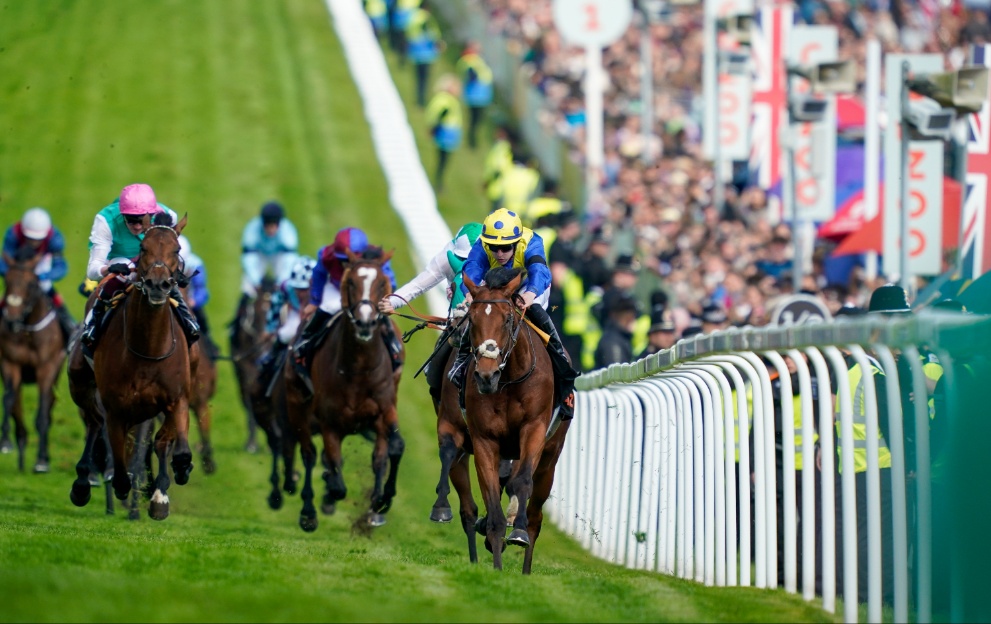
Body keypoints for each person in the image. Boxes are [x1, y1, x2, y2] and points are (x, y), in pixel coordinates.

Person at [449, 208, 580, 419]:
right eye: (494, 248)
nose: (499, 254)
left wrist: (530, 294)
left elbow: (540, 271)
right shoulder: (483, 243)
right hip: (496, 287)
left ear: (516, 242)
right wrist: (469, 292)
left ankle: (562, 369)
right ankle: (461, 361)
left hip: (530, 286)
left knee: (535, 311)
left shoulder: (531, 241)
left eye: (505, 248)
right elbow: (471, 268)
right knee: (480, 314)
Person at [79, 183, 199, 356]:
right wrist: (108, 269)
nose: (136, 226)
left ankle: (186, 317)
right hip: (120, 264)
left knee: (163, 275)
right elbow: (92, 270)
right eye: (130, 220)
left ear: (153, 213)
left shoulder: (169, 216)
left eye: (142, 219)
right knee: (126, 268)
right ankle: (93, 321)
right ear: (122, 215)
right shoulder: (105, 221)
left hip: (150, 262)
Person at [377, 223, 482, 402]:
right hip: (458, 321)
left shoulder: (496, 257)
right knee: (434, 373)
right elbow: (419, 284)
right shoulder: (447, 256)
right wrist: (392, 302)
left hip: (488, 319)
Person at [292, 227, 402, 389]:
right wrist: (314, 301)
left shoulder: (376, 258)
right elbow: (319, 274)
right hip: (337, 288)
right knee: (328, 307)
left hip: (364, 292)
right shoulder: (327, 255)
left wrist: (385, 298)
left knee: (375, 313)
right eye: (342, 260)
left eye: (348, 260)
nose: (345, 264)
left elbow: (390, 281)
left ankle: (392, 343)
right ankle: (306, 340)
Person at [0, 207, 75, 342]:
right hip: (18, 267)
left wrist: (44, 276)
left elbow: (61, 267)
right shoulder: (13, 234)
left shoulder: (55, 239)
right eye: (30, 238)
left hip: (42, 267)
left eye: (38, 239)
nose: (34, 242)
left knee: (47, 289)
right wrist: (14, 277)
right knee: (10, 296)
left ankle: (69, 326)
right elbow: (3, 261)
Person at [256, 255, 317, 395]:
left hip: (316, 310)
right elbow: (276, 305)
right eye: (297, 288)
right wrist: (270, 328)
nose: (300, 293)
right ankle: (271, 357)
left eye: (304, 289)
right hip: (297, 313)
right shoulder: (286, 287)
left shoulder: (321, 286)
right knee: (285, 334)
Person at [240, 201, 299, 305]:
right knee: (248, 286)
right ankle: (240, 314)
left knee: (288, 284)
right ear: (263, 223)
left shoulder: (287, 230)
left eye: (274, 226)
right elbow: (249, 259)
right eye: (268, 226)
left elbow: (289, 261)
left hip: (279, 254)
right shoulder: (252, 229)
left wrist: (281, 282)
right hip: (259, 254)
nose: (271, 230)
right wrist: (256, 282)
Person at [177, 234, 219, 360]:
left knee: (201, 319)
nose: (178, 267)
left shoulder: (195, 265)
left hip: (188, 301)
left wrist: (193, 301)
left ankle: (209, 345)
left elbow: (202, 290)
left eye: (180, 264)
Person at [425, 75, 463, 193]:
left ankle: (438, 181)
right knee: (442, 161)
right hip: (446, 133)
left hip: (447, 133)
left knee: (442, 161)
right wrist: (435, 128)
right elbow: (441, 113)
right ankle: (438, 182)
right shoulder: (446, 99)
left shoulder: (443, 98)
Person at [455, 41, 493, 149]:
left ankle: (472, 138)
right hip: (476, 94)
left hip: (480, 94)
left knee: (477, 119)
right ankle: (471, 139)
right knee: (475, 119)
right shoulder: (469, 60)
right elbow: (470, 74)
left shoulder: (474, 59)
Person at [406, 1, 442, 108]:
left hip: (416, 51)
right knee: (424, 79)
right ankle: (421, 100)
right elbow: (431, 34)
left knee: (418, 78)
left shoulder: (413, 16)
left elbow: (410, 32)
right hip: (425, 52)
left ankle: (419, 98)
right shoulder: (425, 18)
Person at [593, 292, 639, 369]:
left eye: (633, 318)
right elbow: (617, 373)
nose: (632, 322)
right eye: (628, 319)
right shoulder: (612, 342)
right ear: (615, 316)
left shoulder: (619, 337)